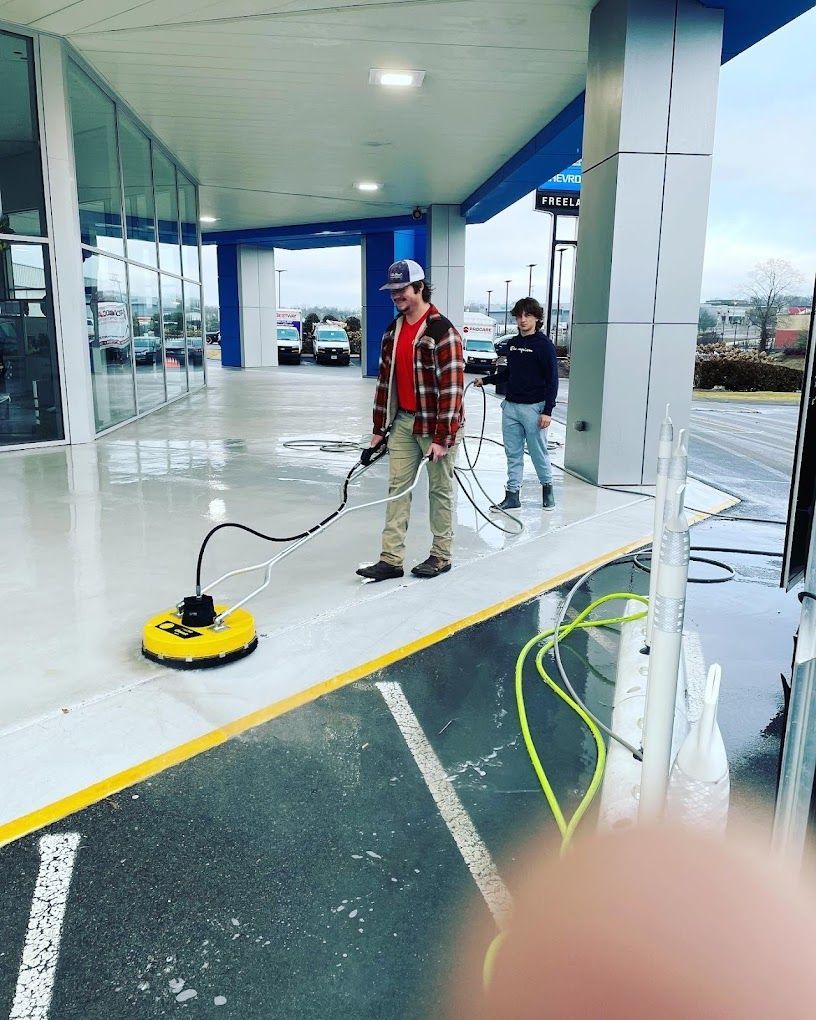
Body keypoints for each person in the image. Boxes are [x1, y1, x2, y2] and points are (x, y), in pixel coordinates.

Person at [356, 259, 464, 582]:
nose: (396, 295)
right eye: (392, 290)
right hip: (403, 422)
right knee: (397, 489)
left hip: (436, 425)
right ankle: (391, 559)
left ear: (419, 287)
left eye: (401, 289)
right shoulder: (393, 331)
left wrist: (442, 438)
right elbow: (384, 383)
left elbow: (452, 389)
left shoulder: (442, 332)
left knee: (440, 490)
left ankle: (441, 555)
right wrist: (379, 430)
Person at [476, 297, 557, 511]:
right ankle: (512, 496)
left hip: (534, 409)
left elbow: (552, 380)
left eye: (527, 315)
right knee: (513, 453)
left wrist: (547, 411)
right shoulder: (512, 344)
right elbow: (509, 373)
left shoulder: (544, 345)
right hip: (510, 407)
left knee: (538, 452)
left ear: (537, 318)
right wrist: (486, 380)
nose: (522, 320)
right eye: (519, 316)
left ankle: (547, 489)